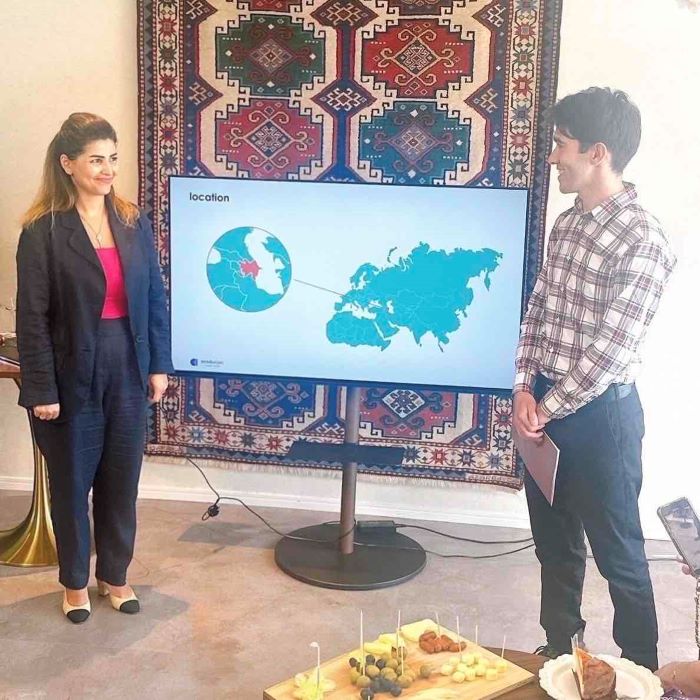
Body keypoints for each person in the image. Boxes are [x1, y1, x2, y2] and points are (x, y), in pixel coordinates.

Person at [512, 87, 676, 671]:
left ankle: (641, 668)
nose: (553, 157)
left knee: (619, 553)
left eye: (562, 145)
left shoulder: (644, 240)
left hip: (602, 417)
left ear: (598, 152)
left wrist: (547, 405)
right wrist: (524, 387)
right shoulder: (566, 223)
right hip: (545, 403)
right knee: (555, 544)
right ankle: (561, 648)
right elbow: (539, 307)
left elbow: (611, 349)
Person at [15, 113, 173, 623]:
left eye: (112, 159)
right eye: (96, 160)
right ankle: (74, 583)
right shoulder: (42, 231)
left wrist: (159, 365)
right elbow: (31, 318)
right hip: (69, 375)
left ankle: (115, 576)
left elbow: (154, 298)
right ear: (67, 164)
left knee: (121, 482)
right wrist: (42, 388)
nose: (108, 170)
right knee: (71, 486)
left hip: (128, 366)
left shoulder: (132, 221)